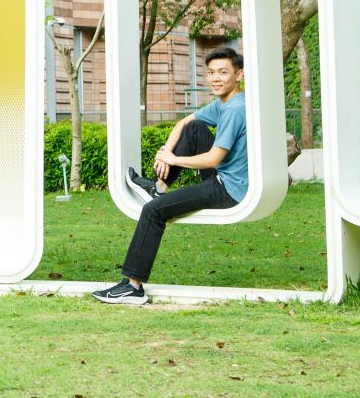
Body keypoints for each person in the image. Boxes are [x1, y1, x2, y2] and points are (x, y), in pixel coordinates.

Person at [93, 46, 249, 305]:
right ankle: (159, 187)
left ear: (238, 75)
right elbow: (183, 123)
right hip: (225, 178)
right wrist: (165, 152)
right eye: (211, 72)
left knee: (153, 211)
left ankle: (133, 287)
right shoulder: (225, 103)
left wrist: (173, 159)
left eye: (223, 72)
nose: (215, 78)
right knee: (195, 128)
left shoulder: (234, 110)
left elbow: (213, 159)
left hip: (228, 189)